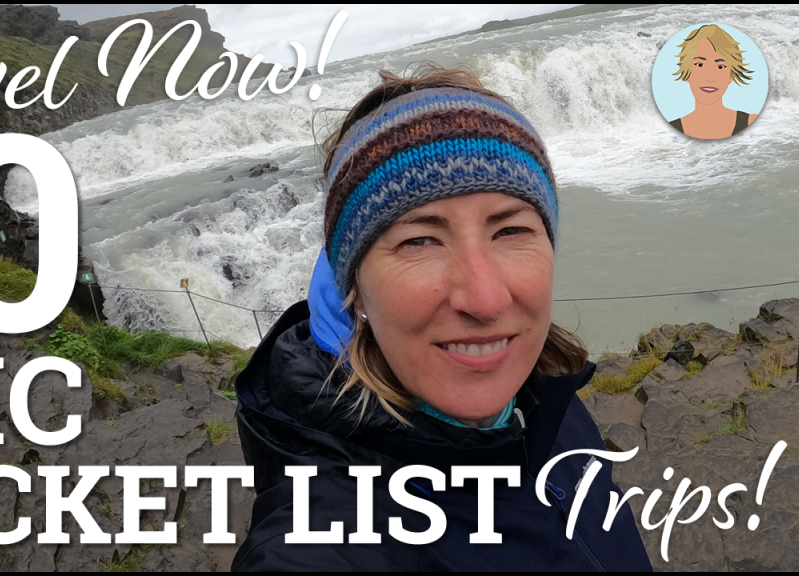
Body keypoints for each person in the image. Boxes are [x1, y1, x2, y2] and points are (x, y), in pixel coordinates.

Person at [232, 65, 652, 571]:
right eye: (419, 240)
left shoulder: (545, 398)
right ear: (354, 290)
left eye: (511, 231)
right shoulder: (315, 548)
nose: (485, 299)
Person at [669, 24, 757, 139]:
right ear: (687, 73)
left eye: (720, 67)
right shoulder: (671, 131)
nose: (710, 77)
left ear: (731, 76)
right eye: (699, 65)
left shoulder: (752, 123)